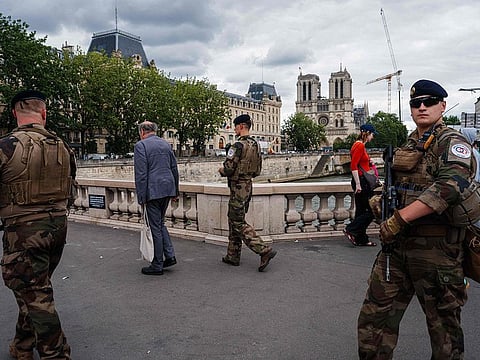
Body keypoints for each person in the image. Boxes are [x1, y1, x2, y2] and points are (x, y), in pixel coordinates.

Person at [358, 79, 475, 359]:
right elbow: (398, 188)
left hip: (436, 253)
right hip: (396, 251)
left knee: (444, 334)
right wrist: (382, 203)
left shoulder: (452, 142)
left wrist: (398, 219)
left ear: (442, 106)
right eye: (415, 103)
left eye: (429, 101)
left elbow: (450, 185)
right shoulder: (410, 144)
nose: (422, 107)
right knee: (373, 324)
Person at [0, 90, 75, 359]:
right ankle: (21, 347)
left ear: (14, 113)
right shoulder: (63, 146)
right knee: (34, 289)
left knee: (36, 294)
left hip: (23, 232)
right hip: (57, 227)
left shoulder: (6, 146)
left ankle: (56, 354)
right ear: (44, 113)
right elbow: (71, 189)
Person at [218, 114, 277, 271]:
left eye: (236, 126)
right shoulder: (256, 144)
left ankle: (263, 250)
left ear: (241, 126)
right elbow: (258, 170)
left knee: (237, 222)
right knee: (235, 219)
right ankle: (233, 255)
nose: (235, 129)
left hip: (237, 187)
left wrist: (222, 170)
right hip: (248, 186)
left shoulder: (237, 146)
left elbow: (229, 169)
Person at [134, 121, 179, 276]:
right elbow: (174, 168)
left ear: (141, 132)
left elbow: (141, 175)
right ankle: (170, 255)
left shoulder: (141, 146)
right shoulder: (166, 144)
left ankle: (157, 264)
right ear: (154, 130)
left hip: (152, 191)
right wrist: (176, 191)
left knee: (155, 227)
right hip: (168, 188)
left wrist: (141, 197)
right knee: (160, 223)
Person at [343, 123, 378, 246]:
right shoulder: (359, 146)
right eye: (373, 134)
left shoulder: (359, 145)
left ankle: (360, 239)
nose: (373, 137)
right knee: (371, 211)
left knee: (361, 211)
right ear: (367, 133)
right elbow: (353, 165)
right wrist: (358, 184)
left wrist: (369, 161)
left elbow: (359, 163)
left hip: (361, 180)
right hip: (361, 181)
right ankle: (351, 229)